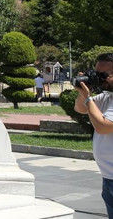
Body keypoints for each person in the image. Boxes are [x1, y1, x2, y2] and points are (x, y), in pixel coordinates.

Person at [74, 53, 113, 218]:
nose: (100, 79)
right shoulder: (107, 97)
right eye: (96, 74)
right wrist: (83, 92)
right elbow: (81, 108)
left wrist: (89, 98)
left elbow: (103, 127)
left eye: (103, 75)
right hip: (108, 177)